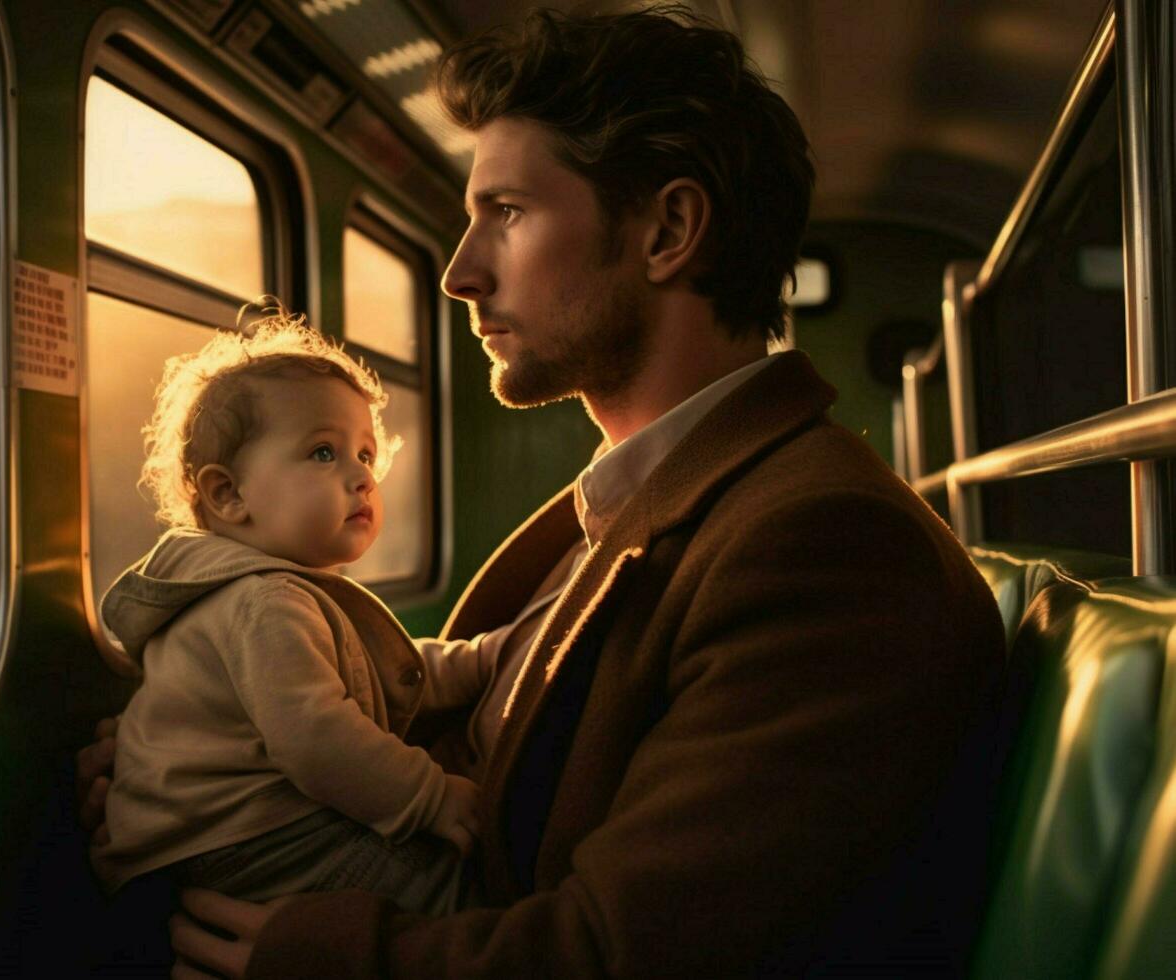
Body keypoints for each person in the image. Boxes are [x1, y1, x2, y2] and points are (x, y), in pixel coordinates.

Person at [79, 6, 1007, 976]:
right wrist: (207, 763)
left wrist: (322, 953)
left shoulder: (824, 546)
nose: (459, 272)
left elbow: (625, 950)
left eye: (508, 214)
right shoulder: (644, 502)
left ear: (668, 232)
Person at [91, 310, 488, 917]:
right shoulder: (265, 603)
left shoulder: (272, 592)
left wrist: (477, 661)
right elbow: (319, 739)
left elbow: (371, 674)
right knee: (451, 890)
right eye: (324, 453)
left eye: (364, 453)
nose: (361, 476)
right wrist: (430, 799)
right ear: (229, 494)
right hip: (241, 841)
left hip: (208, 837)